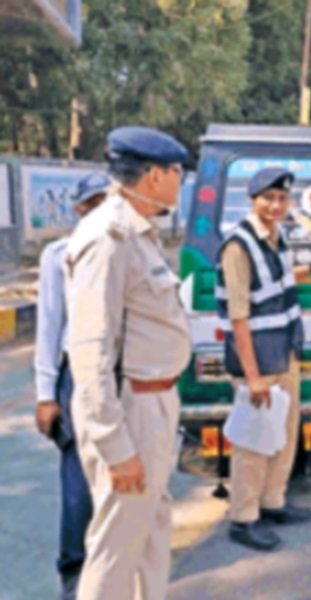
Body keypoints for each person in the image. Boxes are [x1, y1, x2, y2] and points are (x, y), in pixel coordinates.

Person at [64, 126, 191, 600]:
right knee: (116, 546)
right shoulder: (108, 238)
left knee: (151, 533)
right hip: (129, 409)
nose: (181, 180)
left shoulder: (139, 232)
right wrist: (115, 445)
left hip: (154, 403)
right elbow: (90, 351)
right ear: (155, 176)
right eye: (177, 172)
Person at [216, 167, 311, 551]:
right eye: (267, 198)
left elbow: (282, 279)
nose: (275, 206)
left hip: (284, 354)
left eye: (281, 199)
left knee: (283, 434)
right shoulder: (238, 246)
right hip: (258, 361)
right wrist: (253, 377)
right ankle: (243, 518)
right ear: (253, 200)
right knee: (253, 443)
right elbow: (238, 317)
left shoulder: (276, 238)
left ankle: (272, 502)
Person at [34, 173, 109, 600]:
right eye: (93, 203)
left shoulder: (127, 251)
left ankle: (111, 567)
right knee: (79, 480)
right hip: (76, 377)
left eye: (108, 200)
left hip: (118, 377)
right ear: (79, 209)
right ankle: (74, 571)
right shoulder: (59, 255)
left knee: (117, 481)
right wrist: (47, 395)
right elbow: (49, 326)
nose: (102, 210)